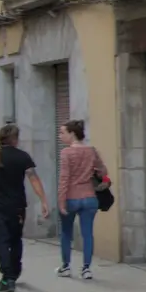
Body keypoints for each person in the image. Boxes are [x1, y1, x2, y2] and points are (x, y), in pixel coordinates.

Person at [0, 124, 50, 292]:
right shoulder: (22, 157)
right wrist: (43, 200)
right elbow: (34, 179)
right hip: (16, 207)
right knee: (15, 239)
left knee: (1, 241)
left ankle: (7, 277)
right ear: (15, 139)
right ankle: (14, 271)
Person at [57, 119, 109, 280]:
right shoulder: (91, 151)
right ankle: (86, 269)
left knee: (66, 233)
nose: (60, 136)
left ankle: (65, 266)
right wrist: (94, 173)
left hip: (71, 197)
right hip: (89, 197)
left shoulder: (66, 153)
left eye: (62, 133)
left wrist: (61, 200)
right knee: (88, 234)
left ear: (72, 134)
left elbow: (64, 178)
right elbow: (103, 171)